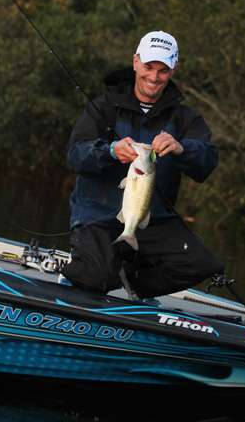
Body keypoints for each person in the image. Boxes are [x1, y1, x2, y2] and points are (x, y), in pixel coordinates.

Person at [62, 30, 223, 298]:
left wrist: (182, 149)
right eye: (149, 67)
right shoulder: (104, 107)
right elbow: (75, 154)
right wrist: (110, 151)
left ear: (173, 70)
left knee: (201, 264)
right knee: (97, 275)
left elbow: (207, 161)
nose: (154, 77)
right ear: (136, 62)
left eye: (163, 70)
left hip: (154, 220)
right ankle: (87, 272)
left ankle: (131, 281)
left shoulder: (185, 118)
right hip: (97, 215)